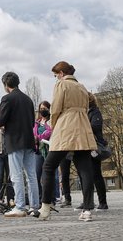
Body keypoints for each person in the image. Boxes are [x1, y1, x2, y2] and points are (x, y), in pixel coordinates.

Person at [39, 61, 96, 222]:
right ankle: (87, 209)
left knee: (49, 166)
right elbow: (85, 108)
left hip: (66, 125)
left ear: (61, 73)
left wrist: (55, 125)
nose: (55, 77)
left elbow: (55, 108)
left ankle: (45, 206)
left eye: (56, 74)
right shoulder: (82, 87)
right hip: (82, 125)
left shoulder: (61, 85)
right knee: (84, 168)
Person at [0, 72, 39, 218]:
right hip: (29, 140)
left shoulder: (7, 98)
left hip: (14, 140)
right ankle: (34, 206)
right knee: (31, 175)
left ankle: (20, 206)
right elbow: (32, 122)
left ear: (6, 85)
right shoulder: (28, 100)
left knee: (16, 175)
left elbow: (0, 120)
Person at [34, 101, 60, 207]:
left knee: (49, 175)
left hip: (49, 149)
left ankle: (51, 198)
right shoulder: (36, 122)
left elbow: (50, 132)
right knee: (36, 175)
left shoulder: (51, 121)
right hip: (38, 150)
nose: (42, 110)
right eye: (41, 108)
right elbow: (34, 133)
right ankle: (41, 197)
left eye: (45, 108)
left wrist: (39, 137)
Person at [87, 93, 108, 210]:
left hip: (94, 146)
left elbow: (96, 126)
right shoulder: (84, 112)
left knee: (96, 174)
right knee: (85, 175)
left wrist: (82, 126)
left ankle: (103, 202)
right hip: (85, 145)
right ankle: (88, 201)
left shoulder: (95, 112)